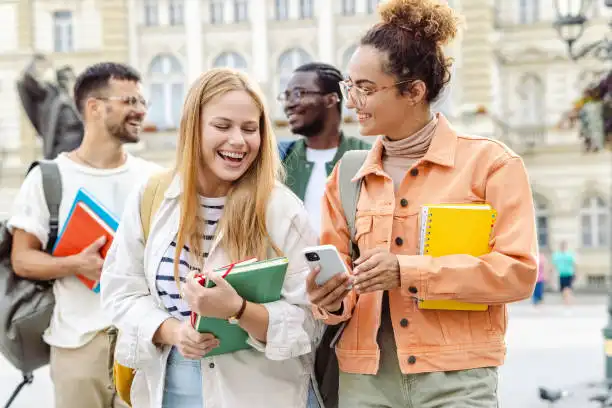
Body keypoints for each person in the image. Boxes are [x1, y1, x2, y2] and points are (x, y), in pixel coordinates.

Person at [306, 1, 538, 407]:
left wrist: (407, 271)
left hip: (457, 379)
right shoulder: (347, 175)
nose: (353, 101)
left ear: (414, 91)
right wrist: (329, 297)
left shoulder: (492, 165)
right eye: (350, 87)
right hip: (366, 382)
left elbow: (517, 273)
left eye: (366, 88)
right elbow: (339, 280)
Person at [100, 68, 320, 408]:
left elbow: (309, 320)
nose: (238, 140)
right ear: (193, 127)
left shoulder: (280, 208)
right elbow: (121, 291)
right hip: (169, 389)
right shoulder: (152, 196)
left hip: (258, 394)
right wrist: (173, 332)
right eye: (222, 126)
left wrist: (239, 310)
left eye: (250, 129)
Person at [8, 62, 159, 408]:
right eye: (129, 101)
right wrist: (76, 263)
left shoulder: (154, 178)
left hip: (143, 342)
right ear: (94, 107)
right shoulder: (49, 178)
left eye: (142, 101)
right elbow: (22, 258)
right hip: (77, 346)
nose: (140, 110)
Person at [278, 62, 370, 235]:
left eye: (299, 94)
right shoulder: (280, 159)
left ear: (331, 99)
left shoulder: (368, 157)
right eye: (286, 95)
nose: (289, 104)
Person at [16, 54, 84, 159]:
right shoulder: (53, 100)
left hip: (81, 153)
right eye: (71, 79)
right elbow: (27, 83)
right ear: (65, 82)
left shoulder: (77, 103)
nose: (74, 82)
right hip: (65, 154)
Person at [552, 241, 576, 305]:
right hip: (561, 274)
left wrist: (575, 273)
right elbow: (554, 265)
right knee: (563, 290)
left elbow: (574, 264)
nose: (563, 247)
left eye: (564, 246)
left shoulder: (569, 255)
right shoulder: (557, 255)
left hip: (569, 274)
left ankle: (567, 303)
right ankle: (568, 300)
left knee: (567, 289)